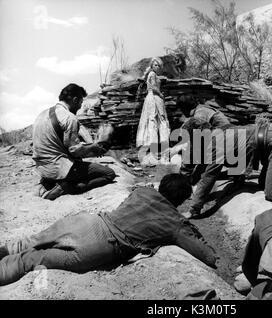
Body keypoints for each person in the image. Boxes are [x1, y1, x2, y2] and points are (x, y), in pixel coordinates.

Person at [0, 174, 217, 286]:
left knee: (28, 242)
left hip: (87, 222)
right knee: (31, 260)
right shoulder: (175, 223)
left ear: (162, 187)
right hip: (101, 246)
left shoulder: (142, 191)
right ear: (180, 201)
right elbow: (207, 256)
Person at [32, 83, 116, 201]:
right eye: (81, 103)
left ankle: (48, 183)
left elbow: (58, 144)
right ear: (75, 100)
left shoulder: (42, 114)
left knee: (79, 165)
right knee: (109, 174)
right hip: (59, 169)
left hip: (42, 169)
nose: (80, 107)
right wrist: (94, 148)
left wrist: (88, 146)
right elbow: (74, 150)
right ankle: (68, 187)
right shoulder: (69, 117)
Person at [136, 57, 170, 164]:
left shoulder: (153, 75)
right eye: (155, 65)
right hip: (154, 98)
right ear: (152, 66)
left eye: (159, 65)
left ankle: (156, 155)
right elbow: (154, 88)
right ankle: (162, 155)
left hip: (152, 98)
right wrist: (161, 94)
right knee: (159, 124)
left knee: (155, 124)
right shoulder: (152, 74)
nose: (157, 67)